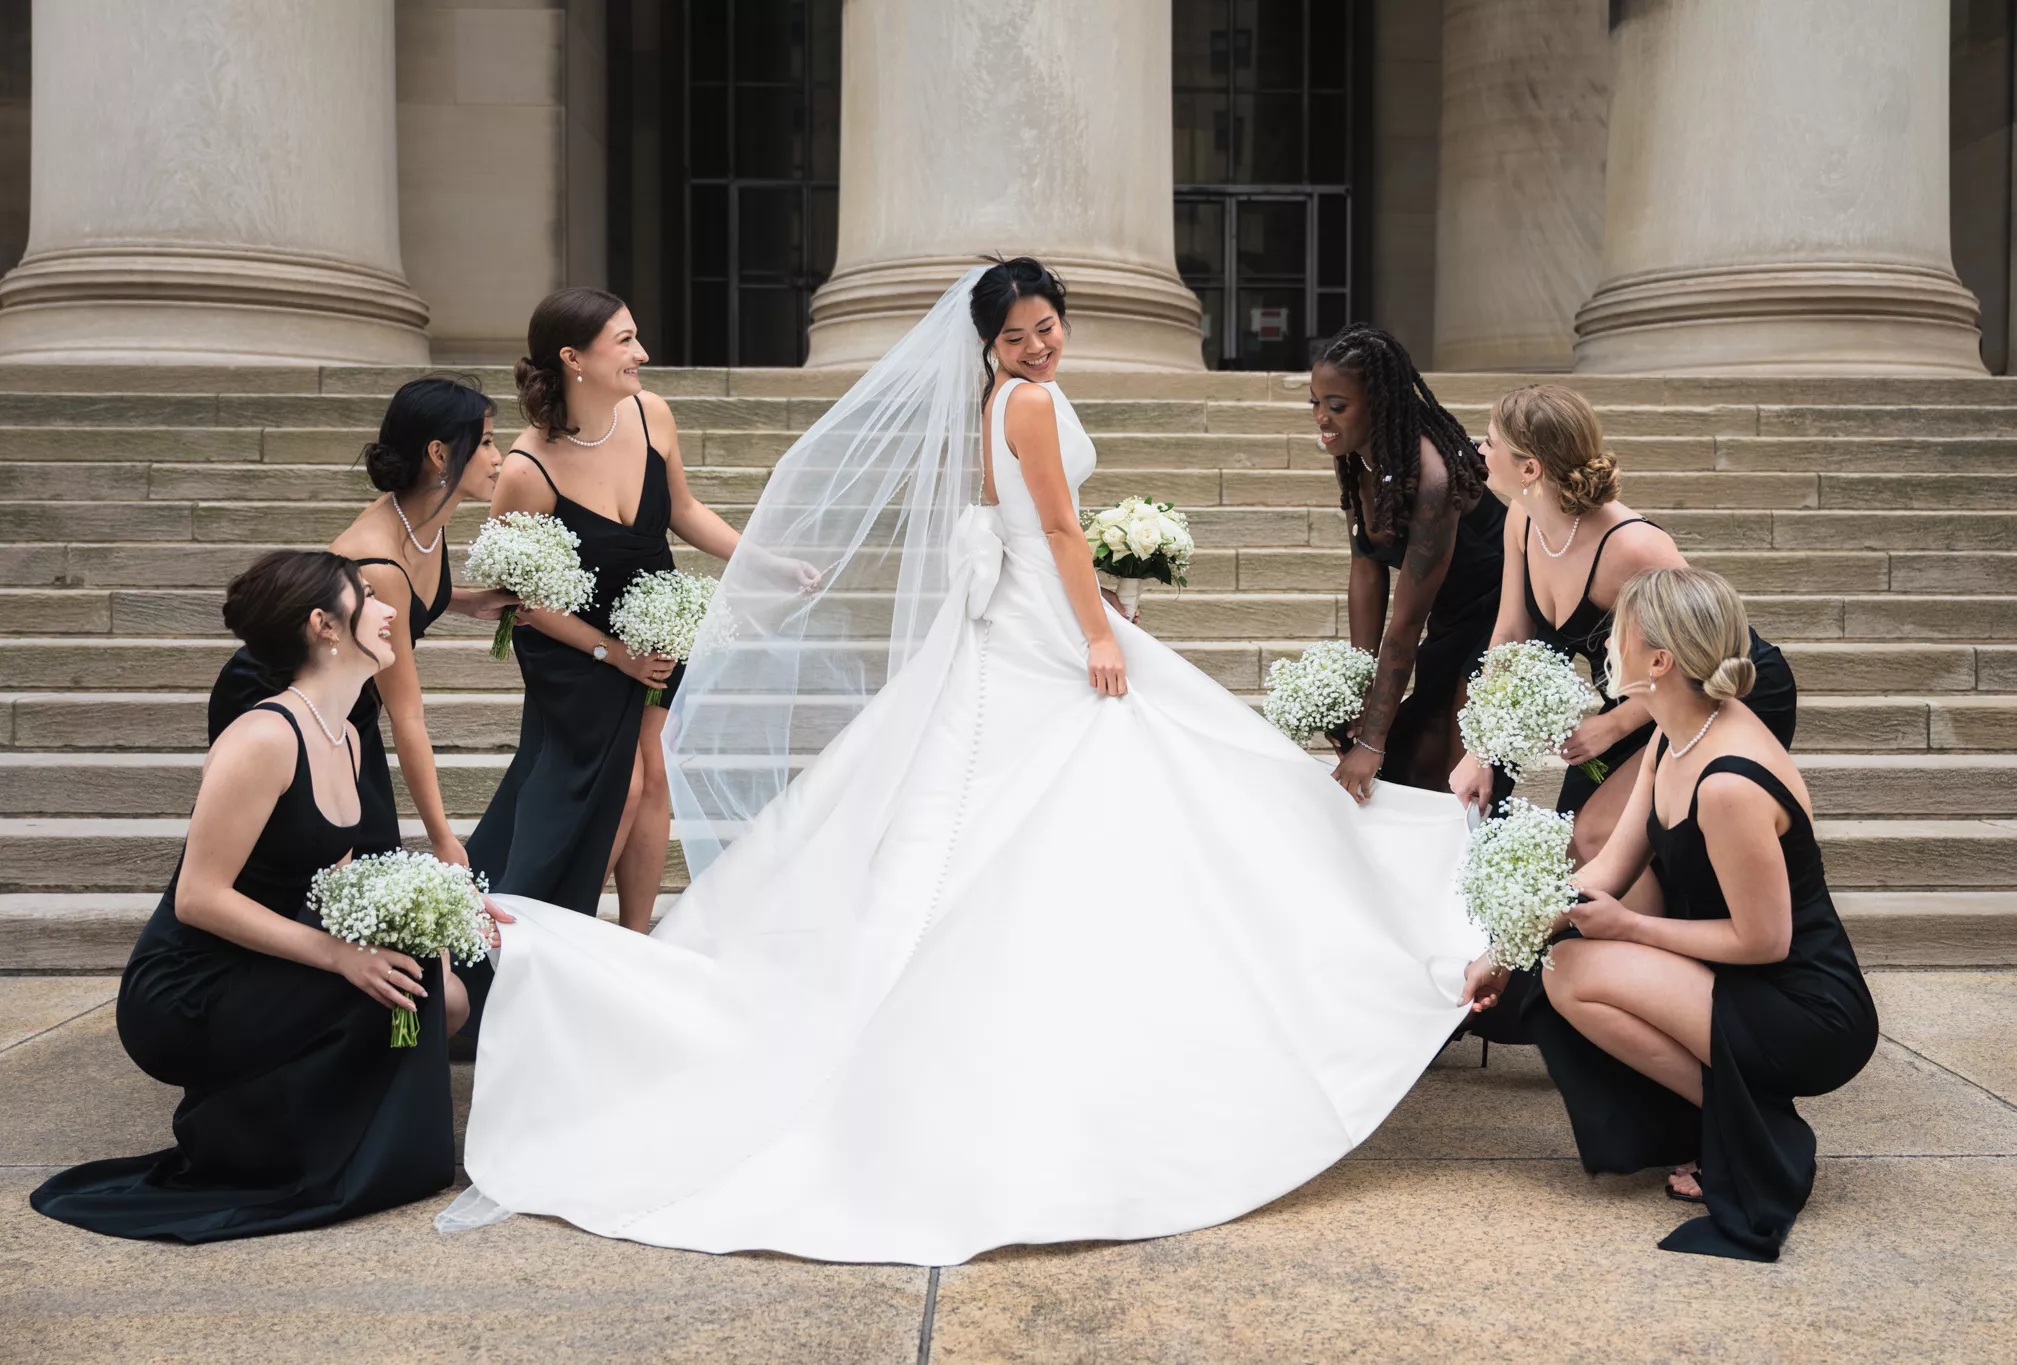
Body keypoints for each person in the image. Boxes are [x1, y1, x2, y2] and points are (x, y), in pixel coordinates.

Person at [438, 259, 1487, 1266]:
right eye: (1016, 334)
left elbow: (1027, 527)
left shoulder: (1001, 399)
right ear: (986, 344)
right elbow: (1062, 536)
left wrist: (1096, 599)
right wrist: (1099, 634)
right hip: (1041, 623)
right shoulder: (1022, 404)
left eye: (1047, 325)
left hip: (1015, 614)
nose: (1039, 345)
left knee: (1087, 798)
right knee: (1131, 786)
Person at [32, 552, 499, 1242]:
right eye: (367, 597)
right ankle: (255, 1142)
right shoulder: (262, 736)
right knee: (402, 986)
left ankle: (335, 1139)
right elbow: (198, 898)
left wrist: (449, 907)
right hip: (185, 990)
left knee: (435, 981)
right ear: (324, 625)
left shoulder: (345, 735)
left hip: (266, 963)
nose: (389, 609)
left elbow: (350, 877)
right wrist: (341, 957)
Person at [1463, 569, 1878, 1262]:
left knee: (1581, 963)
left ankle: (1758, 1131)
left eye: (1617, 632)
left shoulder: (1729, 781)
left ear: (1659, 660)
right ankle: (1733, 1119)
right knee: (1561, 968)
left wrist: (1632, 929)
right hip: (1742, 974)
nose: (1604, 648)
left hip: (1809, 1007)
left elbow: (1765, 939)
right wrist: (1505, 951)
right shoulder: (1672, 733)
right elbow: (1606, 870)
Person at [465, 287, 745, 934]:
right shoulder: (526, 470)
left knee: (654, 780)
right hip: (579, 653)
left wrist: (761, 561)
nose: (642, 353)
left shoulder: (652, 414)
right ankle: (562, 938)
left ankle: (636, 938)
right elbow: (522, 605)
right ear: (573, 358)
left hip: (655, 621)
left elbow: (683, 510)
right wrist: (614, 655)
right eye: (624, 341)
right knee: (607, 798)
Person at [1450, 385, 1797, 871]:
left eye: (1489, 441)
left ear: (1530, 469)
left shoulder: (1634, 548)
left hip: (1720, 688)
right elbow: (1509, 637)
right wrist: (1480, 751)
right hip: (1641, 694)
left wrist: (1612, 725)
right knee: (1576, 839)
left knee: (1594, 838)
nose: (1477, 450)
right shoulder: (1520, 520)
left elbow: (1707, 650)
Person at [205, 376, 514, 864]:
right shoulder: (378, 556)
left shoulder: (422, 517)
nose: (500, 457)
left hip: (345, 697)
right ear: (439, 453)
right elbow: (407, 713)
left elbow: (413, 589)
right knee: (313, 861)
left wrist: (469, 601)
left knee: (361, 857)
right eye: (489, 442)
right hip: (281, 691)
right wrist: (443, 838)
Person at [1308, 325, 1504, 801]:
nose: (1321, 418)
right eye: (1315, 403)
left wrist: (1372, 739)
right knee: (1412, 766)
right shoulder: (1357, 455)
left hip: (1502, 613)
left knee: (1458, 770)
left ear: (1379, 404)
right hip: (1452, 612)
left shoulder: (1432, 480)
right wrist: (1357, 689)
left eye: (1336, 406)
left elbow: (1406, 620)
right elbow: (1366, 568)